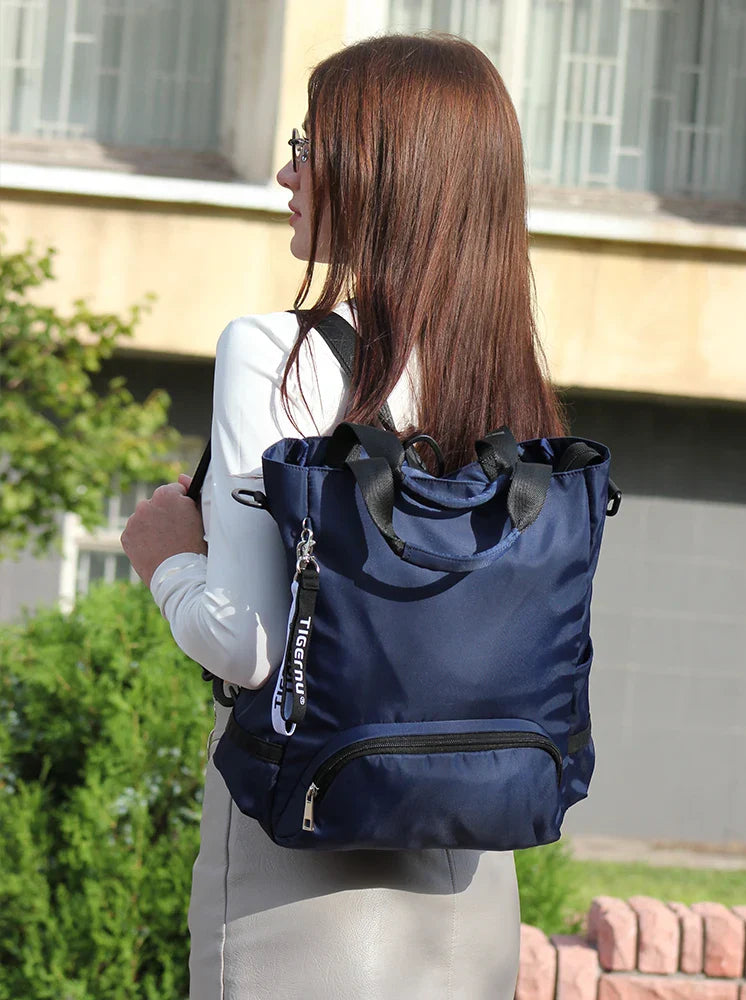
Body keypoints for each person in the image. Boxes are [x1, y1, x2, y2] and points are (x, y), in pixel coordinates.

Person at [122, 33, 566, 1000]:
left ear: (382, 171)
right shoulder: (505, 380)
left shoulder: (277, 354)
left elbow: (246, 646)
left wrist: (162, 557)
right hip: (479, 886)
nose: (286, 172)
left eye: (308, 145)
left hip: (307, 877)